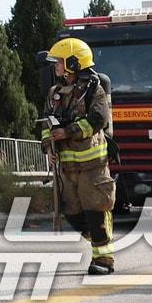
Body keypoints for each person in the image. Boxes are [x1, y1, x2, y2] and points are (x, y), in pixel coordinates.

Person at [40, 38, 114, 276]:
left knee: (95, 210)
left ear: (73, 62)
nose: (56, 66)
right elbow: (45, 125)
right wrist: (48, 147)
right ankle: (101, 239)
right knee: (73, 215)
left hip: (92, 164)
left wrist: (68, 131)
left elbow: (98, 120)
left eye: (59, 61)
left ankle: (103, 260)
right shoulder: (54, 93)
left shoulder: (94, 90)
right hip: (66, 166)